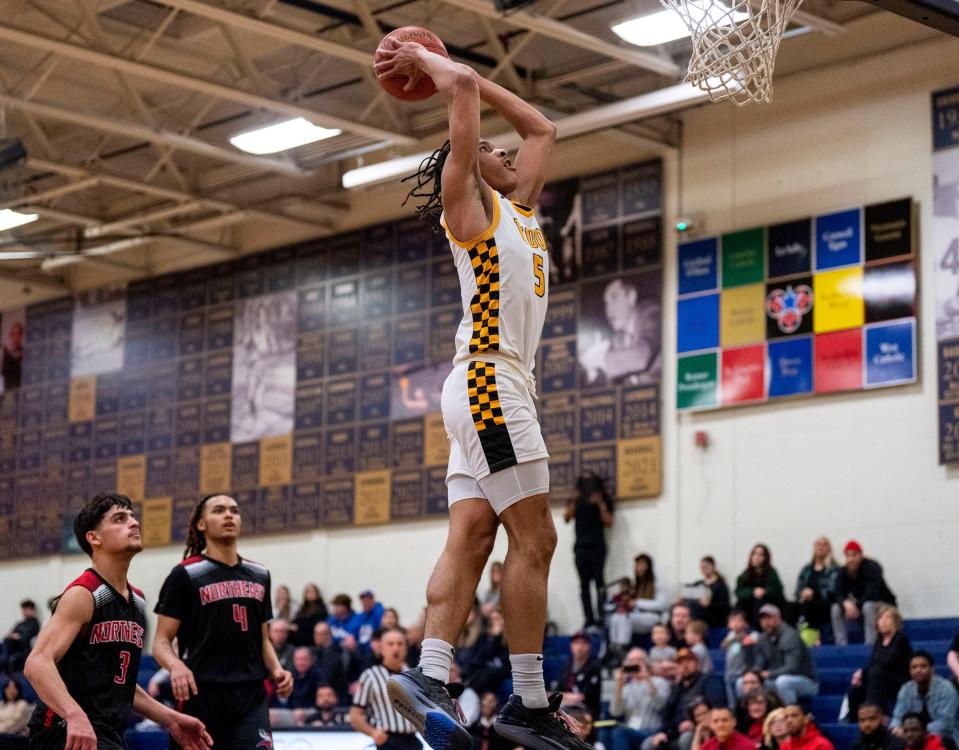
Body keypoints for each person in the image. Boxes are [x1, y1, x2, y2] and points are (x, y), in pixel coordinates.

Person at [375, 35, 586, 750]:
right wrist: (427, 61)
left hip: (485, 389)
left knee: (471, 535)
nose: (504, 151)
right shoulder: (468, 211)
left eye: (500, 150)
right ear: (468, 170)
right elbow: (461, 87)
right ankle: (527, 701)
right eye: (487, 149)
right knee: (539, 537)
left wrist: (470, 80)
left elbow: (543, 128)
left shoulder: (521, 211)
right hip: (490, 384)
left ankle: (429, 673)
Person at [24, 494, 212, 750]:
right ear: (94, 538)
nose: (134, 523)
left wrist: (172, 719)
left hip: (106, 731)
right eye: (120, 519)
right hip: (64, 730)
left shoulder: (137, 600)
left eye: (133, 516)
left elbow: (122, 687)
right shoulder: (85, 593)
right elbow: (37, 663)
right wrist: (74, 715)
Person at [153, 493, 293, 750]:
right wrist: (176, 666)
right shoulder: (185, 574)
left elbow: (263, 639)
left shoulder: (260, 574)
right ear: (201, 524)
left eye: (234, 510)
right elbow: (161, 641)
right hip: (202, 693)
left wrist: (277, 670)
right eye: (218, 510)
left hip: (251, 695)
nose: (229, 515)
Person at [579, 277, 662, 386]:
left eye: (614, 298)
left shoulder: (652, 313)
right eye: (606, 304)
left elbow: (642, 357)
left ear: (631, 297)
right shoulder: (618, 338)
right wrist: (592, 371)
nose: (608, 310)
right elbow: (608, 386)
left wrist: (600, 358)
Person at [350, 627, 421, 750]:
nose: (395, 648)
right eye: (390, 644)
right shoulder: (370, 676)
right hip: (388, 741)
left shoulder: (414, 676)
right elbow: (355, 715)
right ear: (381, 648)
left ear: (406, 648)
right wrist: (373, 732)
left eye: (400, 644)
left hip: (412, 740)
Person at [642, 650, 726, 750]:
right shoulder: (677, 687)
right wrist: (662, 732)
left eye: (689, 661)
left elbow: (718, 707)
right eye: (681, 663)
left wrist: (695, 723)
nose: (685, 665)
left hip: (700, 729)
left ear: (697, 663)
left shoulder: (709, 680)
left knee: (686, 738)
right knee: (648, 743)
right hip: (675, 731)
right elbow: (667, 715)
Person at [564, 472, 614, 628]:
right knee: (584, 585)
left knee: (600, 583)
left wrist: (600, 504)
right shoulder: (576, 500)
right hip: (580, 547)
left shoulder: (604, 498)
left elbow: (609, 522)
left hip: (598, 546)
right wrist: (574, 499)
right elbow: (566, 517)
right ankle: (589, 619)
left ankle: (602, 616)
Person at [846, 606, 912, 719]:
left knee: (875, 673)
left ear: (895, 621)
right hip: (880, 679)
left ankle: (875, 714)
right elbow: (872, 663)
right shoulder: (879, 641)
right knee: (855, 690)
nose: (883, 622)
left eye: (887, 618)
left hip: (899, 681)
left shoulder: (900, 639)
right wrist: (861, 674)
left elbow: (888, 663)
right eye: (880, 618)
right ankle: (854, 722)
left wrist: (862, 672)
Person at [832, 541, 897, 647]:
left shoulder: (872, 568)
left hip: (883, 604)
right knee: (835, 608)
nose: (851, 559)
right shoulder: (844, 571)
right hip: (861, 605)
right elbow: (837, 592)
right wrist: (845, 603)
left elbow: (872, 594)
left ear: (861, 555)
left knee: (868, 606)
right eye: (848, 556)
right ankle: (841, 644)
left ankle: (870, 643)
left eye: (854, 555)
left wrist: (854, 606)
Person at [751, 605, 818, 705]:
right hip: (775, 679)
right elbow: (760, 662)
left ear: (778, 617)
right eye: (762, 619)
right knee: (746, 682)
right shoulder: (763, 638)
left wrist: (769, 674)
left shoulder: (790, 636)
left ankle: (789, 713)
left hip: (805, 680)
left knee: (783, 681)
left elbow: (792, 668)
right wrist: (754, 674)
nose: (765, 622)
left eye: (769, 617)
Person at [890, 652, 957, 745]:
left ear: (932, 669)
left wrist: (916, 731)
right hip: (912, 734)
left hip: (945, 735)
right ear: (909, 671)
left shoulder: (946, 688)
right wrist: (896, 728)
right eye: (914, 667)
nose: (918, 670)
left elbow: (945, 723)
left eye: (923, 666)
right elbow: (897, 716)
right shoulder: (906, 689)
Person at [610, 649, 671, 750]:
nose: (635, 663)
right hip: (631, 730)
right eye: (631, 661)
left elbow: (660, 705)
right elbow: (616, 712)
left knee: (619, 732)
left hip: (652, 731)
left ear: (646, 662)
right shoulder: (625, 687)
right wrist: (618, 685)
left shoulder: (660, 682)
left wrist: (648, 678)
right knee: (610, 732)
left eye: (639, 660)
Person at [609, 555, 669, 650]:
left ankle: (622, 647)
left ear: (648, 566)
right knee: (616, 617)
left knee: (625, 618)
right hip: (637, 616)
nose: (639, 568)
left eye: (642, 565)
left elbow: (662, 605)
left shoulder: (657, 583)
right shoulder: (637, 584)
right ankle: (614, 646)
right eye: (637, 565)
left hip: (653, 617)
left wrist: (637, 602)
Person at [794, 538, 840, 642]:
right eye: (818, 544)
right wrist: (802, 594)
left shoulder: (834, 569)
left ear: (829, 549)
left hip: (826, 605)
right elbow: (797, 590)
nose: (820, 547)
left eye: (824, 545)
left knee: (809, 605)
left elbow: (833, 592)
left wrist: (813, 594)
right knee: (790, 606)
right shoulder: (806, 569)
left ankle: (807, 642)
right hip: (807, 603)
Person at [735, 546, 785, 629]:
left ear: (765, 558)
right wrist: (752, 592)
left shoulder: (771, 573)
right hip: (750, 603)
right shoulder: (745, 574)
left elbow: (778, 591)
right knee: (740, 604)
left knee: (760, 603)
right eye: (754, 554)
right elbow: (738, 592)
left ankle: (757, 630)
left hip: (767, 603)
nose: (757, 557)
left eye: (760, 555)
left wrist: (764, 592)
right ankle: (738, 628)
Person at [556, 631, 602, 718]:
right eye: (576, 643)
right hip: (566, 706)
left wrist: (564, 696)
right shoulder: (567, 665)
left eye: (583, 643)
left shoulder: (594, 666)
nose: (579, 647)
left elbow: (582, 697)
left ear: (589, 646)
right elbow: (558, 691)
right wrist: (567, 696)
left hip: (586, 710)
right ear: (571, 645)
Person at [722, 610, 758, 708]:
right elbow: (723, 646)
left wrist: (741, 637)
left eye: (739, 621)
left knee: (743, 701)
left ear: (745, 623)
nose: (736, 624)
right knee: (732, 703)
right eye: (733, 621)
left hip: (742, 674)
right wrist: (733, 638)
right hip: (729, 674)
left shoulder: (751, 634)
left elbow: (751, 641)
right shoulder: (730, 635)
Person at [685, 557, 731, 630]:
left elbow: (725, 606)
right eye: (702, 567)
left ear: (713, 567)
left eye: (706, 567)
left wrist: (709, 604)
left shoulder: (721, 585)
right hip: (699, 618)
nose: (704, 569)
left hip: (714, 618)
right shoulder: (699, 583)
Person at [3, 601, 40, 674]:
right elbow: (8, 634)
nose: (23, 612)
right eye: (23, 610)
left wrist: (15, 636)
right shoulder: (20, 623)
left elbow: (25, 639)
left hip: (20, 650)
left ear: (31, 609)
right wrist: (14, 636)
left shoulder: (34, 624)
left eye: (25, 610)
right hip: (8, 649)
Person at [0, 678, 32, 745]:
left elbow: (13, 726)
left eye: (13, 688)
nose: (11, 691)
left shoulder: (22, 704)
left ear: (18, 690)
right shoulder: (1, 704)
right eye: (8, 688)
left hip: (16, 740)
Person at [357, 591, 385, 655]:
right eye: (363, 602)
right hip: (362, 649)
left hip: (373, 648)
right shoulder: (362, 615)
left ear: (373, 600)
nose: (364, 604)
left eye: (367, 601)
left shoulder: (379, 612)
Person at [1, 320, 23, 391]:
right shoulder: (4, 352)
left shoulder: (24, 352)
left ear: (21, 335)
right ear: (10, 335)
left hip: (19, 388)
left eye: (18, 334)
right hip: (6, 388)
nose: (15, 337)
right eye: (13, 334)